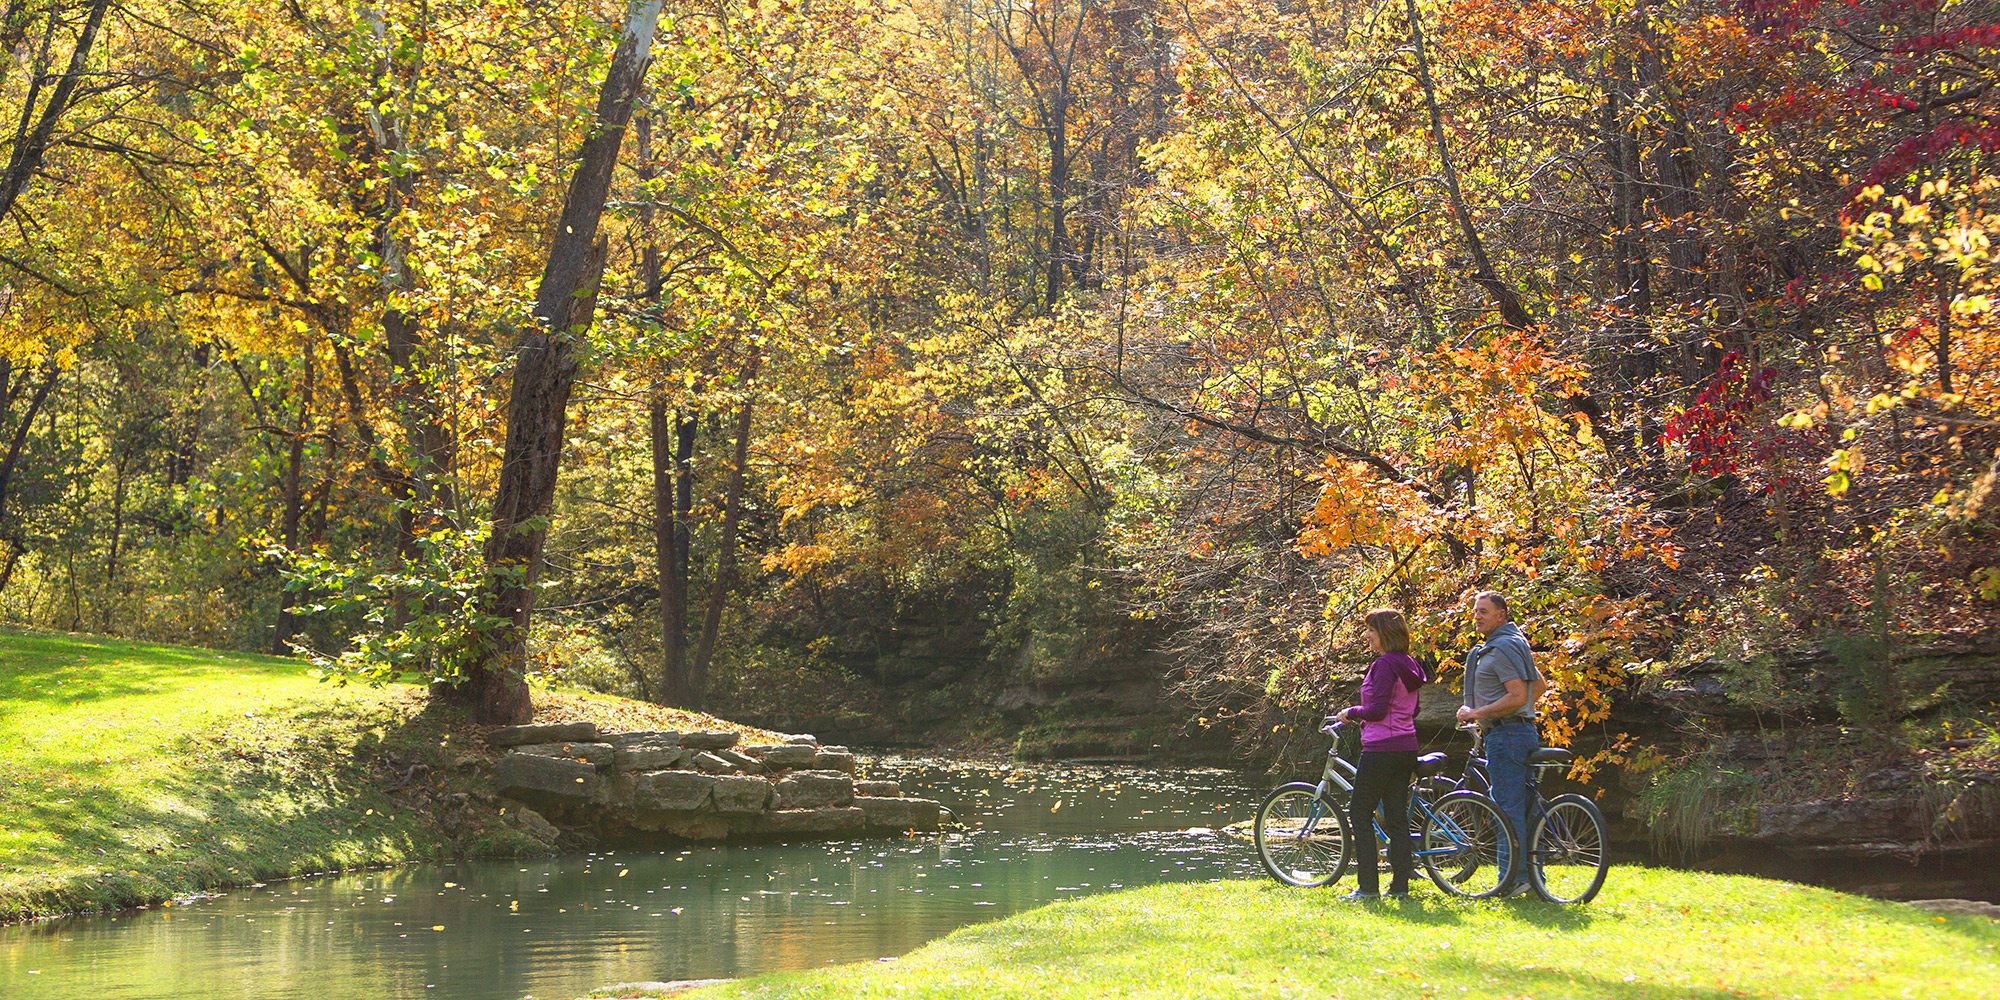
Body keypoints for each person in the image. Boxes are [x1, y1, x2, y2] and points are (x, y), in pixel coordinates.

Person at [1454, 590, 1543, 896]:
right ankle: (1532, 878)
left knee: (1507, 809)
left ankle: (1513, 880)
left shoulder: (1502, 648)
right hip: (1522, 732)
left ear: (1501, 615)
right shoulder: (1514, 643)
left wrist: (1477, 712)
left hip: (1506, 736)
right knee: (1525, 808)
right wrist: (1524, 711)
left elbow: (1519, 695)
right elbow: (1538, 686)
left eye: (1484, 611)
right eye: (1475, 611)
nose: (1477, 616)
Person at [1335, 608, 1427, 900]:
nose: (1368, 636)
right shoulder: (1409, 664)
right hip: (1406, 746)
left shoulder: (1385, 665)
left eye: (1372, 631)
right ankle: (1400, 887)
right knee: (1398, 817)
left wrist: (1351, 712)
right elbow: (1414, 710)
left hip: (1381, 749)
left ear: (1385, 633)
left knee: (1359, 814)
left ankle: (1368, 888)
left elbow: (1376, 710)